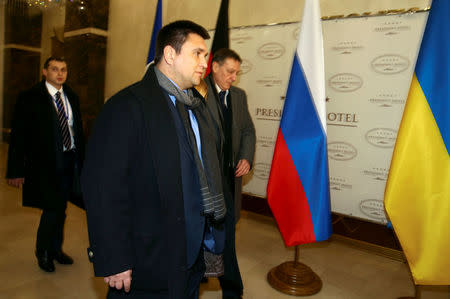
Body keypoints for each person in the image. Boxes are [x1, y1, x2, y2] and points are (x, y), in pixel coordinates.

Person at [82, 20, 229, 299]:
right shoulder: (127, 106)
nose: (205, 63)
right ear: (170, 55)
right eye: (197, 53)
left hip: (190, 254)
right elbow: (103, 188)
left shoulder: (194, 106)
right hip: (147, 259)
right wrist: (114, 258)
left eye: (206, 56)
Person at [6, 56, 85, 273]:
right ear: (44, 72)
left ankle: (56, 250)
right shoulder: (30, 98)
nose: (60, 73)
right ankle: (43, 252)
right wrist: (16, 170)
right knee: (52, 209)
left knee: (61, 209)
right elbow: (19, 137)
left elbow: (77, 131)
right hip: (45, 164)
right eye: (54, 69)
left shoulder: (72, 96)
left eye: (64, 69)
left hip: (70, 161)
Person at [205, 48, 256, 299]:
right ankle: (231, 288)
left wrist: (246, 156)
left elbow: (247, 130)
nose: (234, 77)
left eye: (237, 72)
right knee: (210, 234)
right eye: (229, 72)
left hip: (230, 178)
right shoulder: (196, 93)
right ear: (214, 67)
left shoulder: (238, 96)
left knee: (225, 234)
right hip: (207, 181)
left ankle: (229, 287)